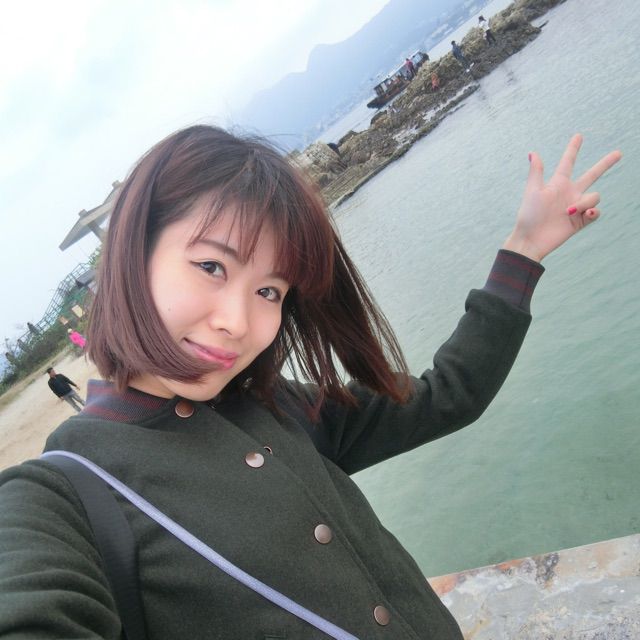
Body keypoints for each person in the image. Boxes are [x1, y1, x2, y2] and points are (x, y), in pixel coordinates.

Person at [0, 126, 620, 638]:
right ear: (133, 256)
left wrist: (523, 251)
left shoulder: (276, 409)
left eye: (270, 291)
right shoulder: (61, 495)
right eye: (211, 265)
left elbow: (444, 397)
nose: (238, 322)